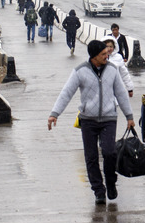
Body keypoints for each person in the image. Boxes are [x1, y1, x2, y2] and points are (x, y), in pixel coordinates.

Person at [47, 40, 136, 205]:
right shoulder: (80, 71)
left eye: (107, 53)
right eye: (103, 54)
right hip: (88, 120)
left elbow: (121, 93)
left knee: (109, 152)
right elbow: (67, 92)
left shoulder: (112, 70)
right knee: (91, 157)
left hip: (109, 118)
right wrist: (55, 113)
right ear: (94, 56)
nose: (107, 55)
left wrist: (129, 116)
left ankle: (110, 182)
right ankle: (98, 191)